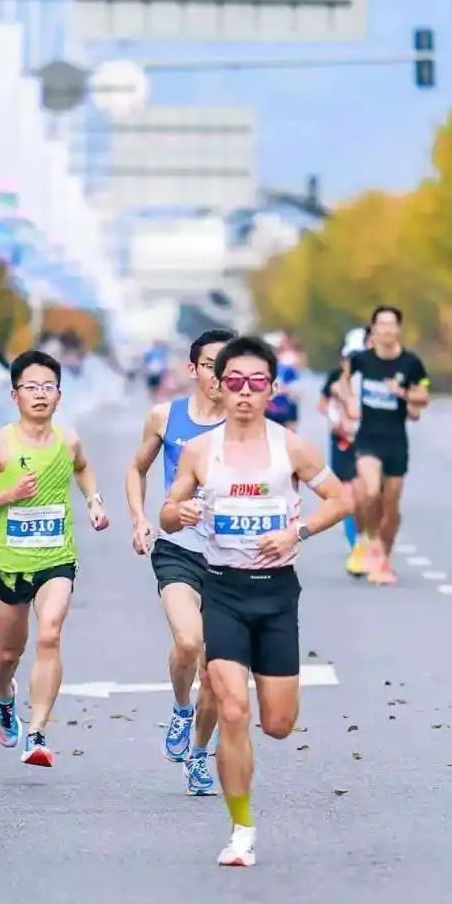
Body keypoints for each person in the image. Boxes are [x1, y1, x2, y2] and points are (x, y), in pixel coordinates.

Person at [160, 336, 347, 868]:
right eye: (234, 382)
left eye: (255, 382)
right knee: (232, 709)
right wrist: (181, 513)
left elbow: (341, 499)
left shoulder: (292, 448)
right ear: (219, 386)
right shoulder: (201, 451)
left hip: (276, 593)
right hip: (222, 589)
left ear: (272, 389)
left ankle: (242, 796)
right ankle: (240, 828)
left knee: (279, 723)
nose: (244, 392)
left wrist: (297, 533)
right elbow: (168, 512)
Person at [0, 350, 110, 769]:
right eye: (31, 387)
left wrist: (94, 502)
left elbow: (83, 469)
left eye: (48, 387)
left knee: (49, 635)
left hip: (56, 558)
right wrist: (10, 494)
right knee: (9, 653)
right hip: (10, 564)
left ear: (59, 395)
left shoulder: (68, 440)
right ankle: (4, 696)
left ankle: (38, 732)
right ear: (15, 395)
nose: (41, 394)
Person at [125, 327, 234, 795]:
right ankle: (180, 708)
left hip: (231, 557)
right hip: (178, 547)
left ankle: (199, 753)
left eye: (228, 368)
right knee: (188, 643)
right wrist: (139, 519)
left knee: (216, 673)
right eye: (211, 366)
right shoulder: (165, 417)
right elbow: (137, 468)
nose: (219, 377)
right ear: (193, 369)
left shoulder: (246, 424)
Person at [340, 306, 430, 586]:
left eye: (392, 325)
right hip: (368, 438)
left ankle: (383, 559)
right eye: (382, 324)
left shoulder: (411, 363)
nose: (387, 330)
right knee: (369, 491)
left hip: (396, 441)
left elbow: (423, 396)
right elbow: (342, 383)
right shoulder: (360, 360)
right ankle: (367, 540)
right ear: (374, 329)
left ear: (399, 329)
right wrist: (349, 403)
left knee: (390, 506)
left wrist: (402, 393)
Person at [319, 328, 366, 561]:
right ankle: (355, 543)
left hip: (368, 440)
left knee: (367, 492)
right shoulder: (335, 378)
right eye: (351, 356)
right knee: (348, 494)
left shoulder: (374, 379)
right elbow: (322, 403)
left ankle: (368, 539)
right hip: (343, 441)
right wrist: (335, 419)